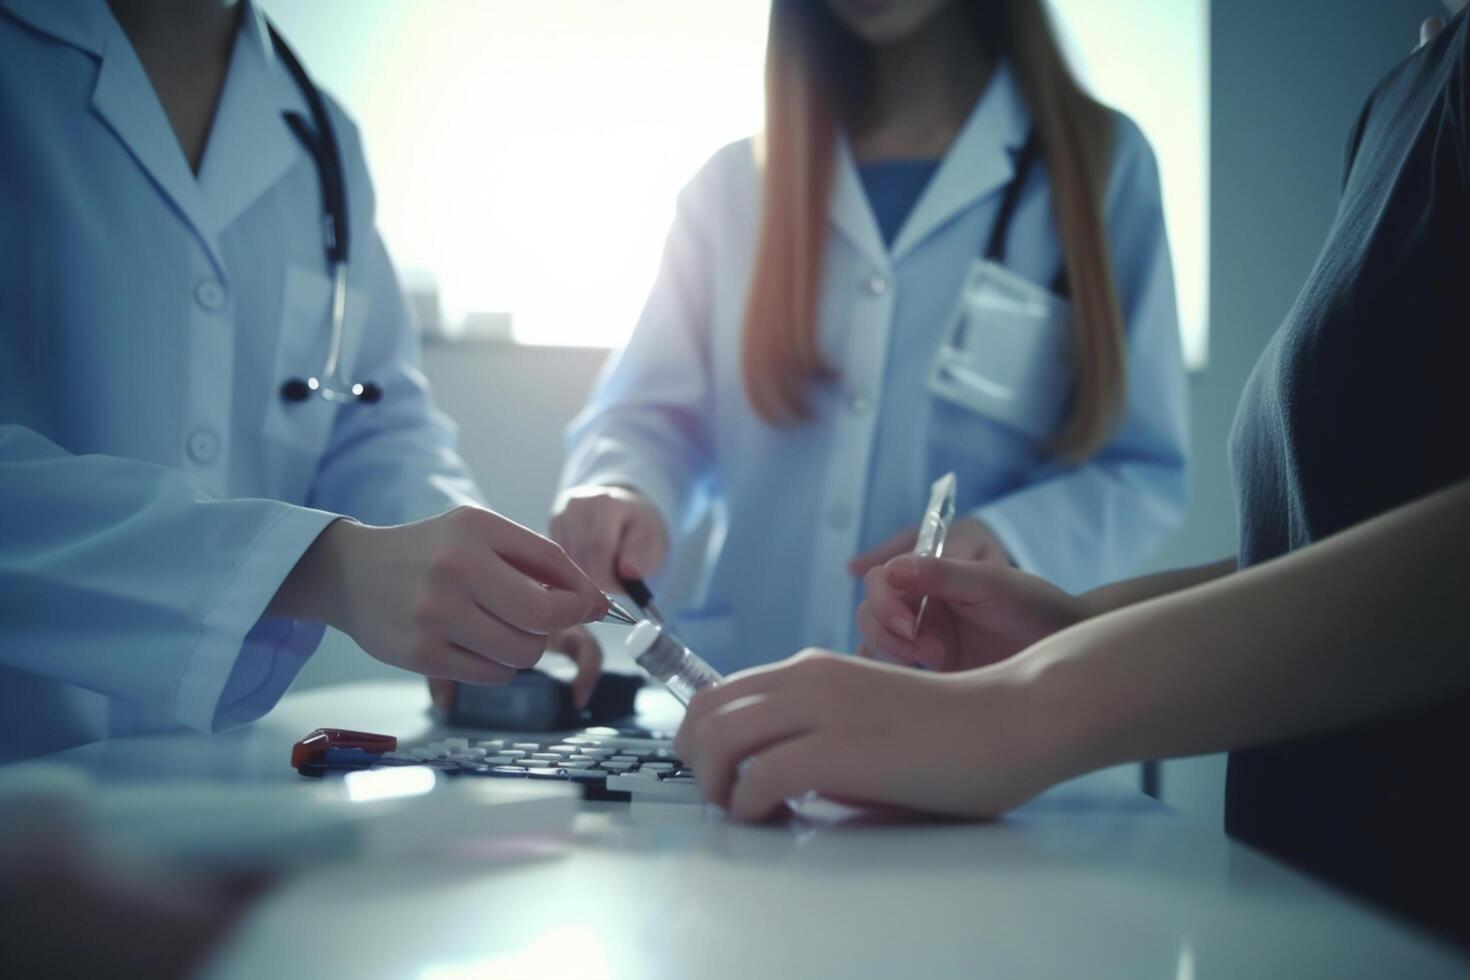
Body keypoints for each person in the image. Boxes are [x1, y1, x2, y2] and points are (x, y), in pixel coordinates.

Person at [675, 7, 1470, 946]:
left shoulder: (1104, 161)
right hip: (1336, 890)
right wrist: (1081, 628)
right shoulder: (1406, 91)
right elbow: (1346, 539)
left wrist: (1021, 708)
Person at [0, 0, 606, 762]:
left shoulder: (322, 140)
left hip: (218, 785)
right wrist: (316, 566)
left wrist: (477, 585)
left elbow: (371, 420)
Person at [551, 0, 1188, 672]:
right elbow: (649, 419)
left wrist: (1006, 539)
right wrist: (627, 488)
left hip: (977, 712)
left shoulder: (1099, 169)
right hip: (748, 685)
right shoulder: (730, 189)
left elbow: (1136, 467)